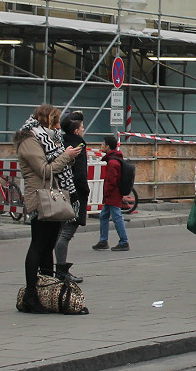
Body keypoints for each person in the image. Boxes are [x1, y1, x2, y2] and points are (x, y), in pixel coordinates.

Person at [15, 104, 82, 313]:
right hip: (40, 197)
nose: (57, 125)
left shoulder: (49, 138)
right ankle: (31, 294)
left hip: (54, 196)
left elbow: (55, 165)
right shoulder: (29, 139)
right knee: (39, 244)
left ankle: (46, 290)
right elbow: (44, 169)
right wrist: (66, 156)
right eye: (55, 120)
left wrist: (67, 157)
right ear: (45, 120)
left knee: (49, 244)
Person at [54, 110, 88, 283]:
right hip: (74, 194)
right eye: (82, 127)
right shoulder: (78, 146)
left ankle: (58, 268)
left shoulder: (61, 143)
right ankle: (61, 270)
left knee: (61, 231)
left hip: (61, 192)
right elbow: (80, 174)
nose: (83, 129)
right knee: (66, 233)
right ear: (76, 131)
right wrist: (85, 191)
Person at [93, 135, 130, 252]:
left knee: (117, 217)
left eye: (103, 144)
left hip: (112, 195)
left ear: (108, 146)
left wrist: (106, 193)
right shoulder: (116, 159)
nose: (101, 146)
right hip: (113, 194)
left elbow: (111, 181)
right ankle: (103, 241)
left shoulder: (113, 162)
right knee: (104, 216)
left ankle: (123, 241)